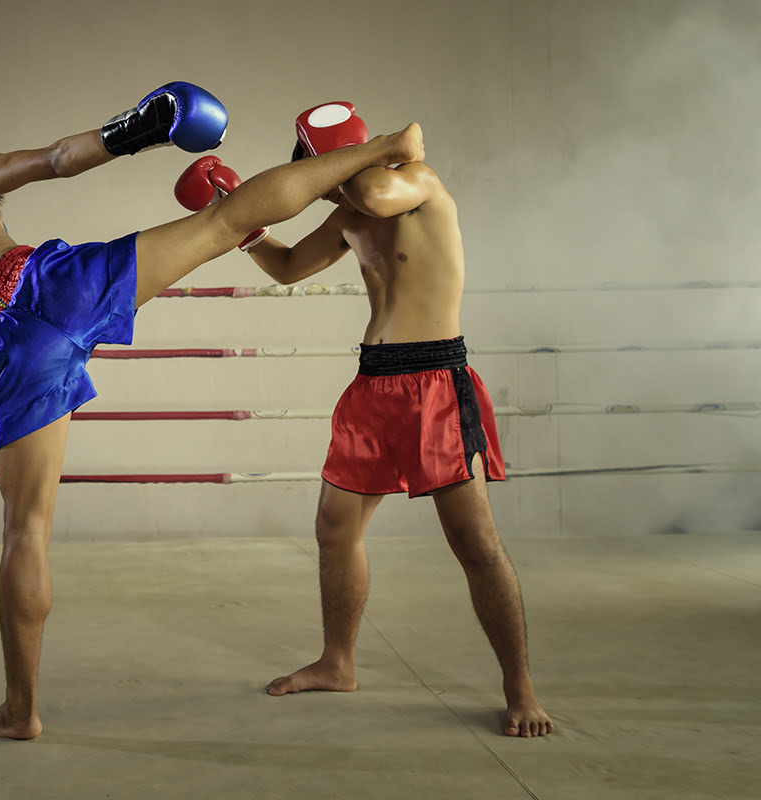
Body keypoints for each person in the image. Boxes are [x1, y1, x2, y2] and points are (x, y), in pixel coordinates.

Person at [0, 84, 426, 740]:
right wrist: (140, 130)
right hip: (46, 280)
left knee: (25, 532)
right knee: (223, 222)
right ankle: (384, 146)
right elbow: (60, 158)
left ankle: (20, 711)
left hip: (1, 345)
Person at [183, 101, 553, 738]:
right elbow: (290, 267)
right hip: (373, 387)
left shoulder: (413, 185)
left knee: (474, 543)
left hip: (436, 382)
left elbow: (376, 189)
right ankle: (338, 661)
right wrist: (246, 228)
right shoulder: (349, 214)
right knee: (334, 527)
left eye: (319, 170)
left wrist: (349, 157)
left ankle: (520, 688)